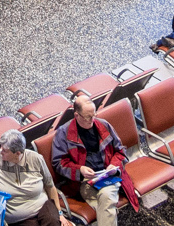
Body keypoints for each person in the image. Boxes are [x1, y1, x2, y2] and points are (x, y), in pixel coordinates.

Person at [50, 95, 135, 226]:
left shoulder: (103, 125)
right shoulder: (64, 133)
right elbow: (59, 163)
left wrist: (113, 164)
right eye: (88, 117)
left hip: (108, 176)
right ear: (76, 115)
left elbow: (121, 151)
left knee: (106, 197)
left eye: (94, 114)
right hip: (85, 182)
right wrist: (80, 170)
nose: (92, 119)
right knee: (106, 207)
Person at [0, 130, 72, 226]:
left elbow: (50, 186)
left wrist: (60, 214)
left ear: (17, 153)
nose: (1, 152)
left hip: (43, 206)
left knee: (53, 222)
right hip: (19, 217)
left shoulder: (35, 159)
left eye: (5, 151)